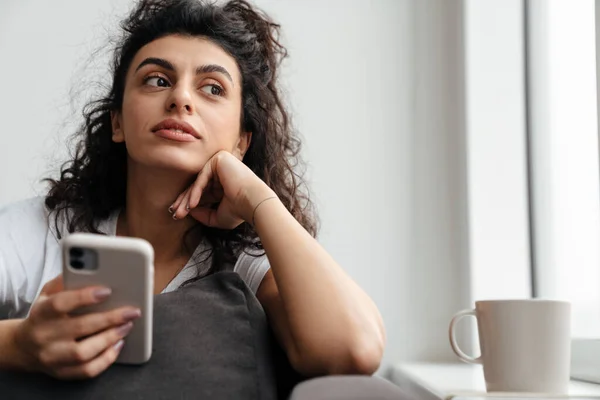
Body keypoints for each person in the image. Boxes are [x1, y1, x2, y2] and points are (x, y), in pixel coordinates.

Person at [0, 0, 385, 381]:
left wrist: (258, 199)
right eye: (157, 80)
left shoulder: (249, 264)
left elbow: (355, 351)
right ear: (116, 122)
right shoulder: (43, 230)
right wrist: (18, 344)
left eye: (213, 88)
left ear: (241, 143)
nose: (180, 98)